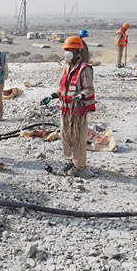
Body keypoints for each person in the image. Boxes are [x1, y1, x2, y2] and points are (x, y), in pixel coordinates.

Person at [40, 36, 95, 177]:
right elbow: (63, 89)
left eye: (70, 49)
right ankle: (69, 161)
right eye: (67, 49)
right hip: (65, 110)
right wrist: (52, 96)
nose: (67, 52)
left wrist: (81, 96)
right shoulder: (66, 67)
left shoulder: (85, 69)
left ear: (77, 51)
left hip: (78, 111)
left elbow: (89, 89)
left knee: (78, 138)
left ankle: (79, 166)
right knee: (66, 137)